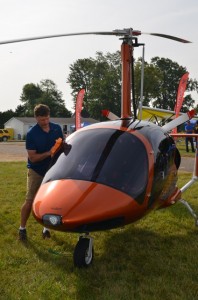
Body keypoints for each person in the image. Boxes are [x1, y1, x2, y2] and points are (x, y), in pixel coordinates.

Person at [19, 104, 64, 241]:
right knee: (30, 200)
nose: (45, 122)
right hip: (36, 171)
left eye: (47, 119)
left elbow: (62, 145)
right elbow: (33, 157)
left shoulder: (57, 128)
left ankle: (46, 229)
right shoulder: (32, 134)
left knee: (50, 200)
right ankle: (22, 229)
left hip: (53, 170)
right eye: (41, 120)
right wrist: (49, 153)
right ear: (36, 118)